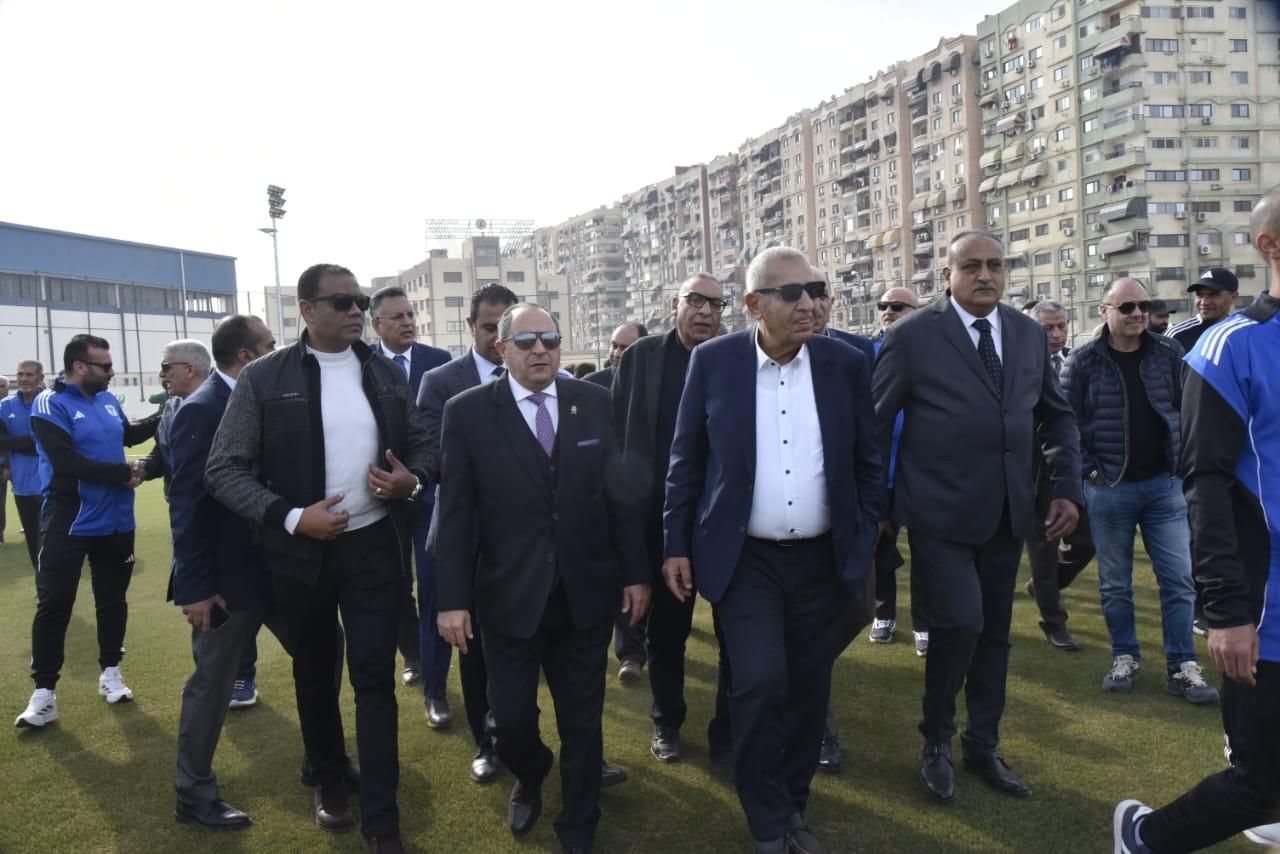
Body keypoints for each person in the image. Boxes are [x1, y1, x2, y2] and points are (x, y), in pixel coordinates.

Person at [206, 264, 431, 853]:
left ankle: (382, 817)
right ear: (306, 310)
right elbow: (223, 468)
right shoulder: (264, 377)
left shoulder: (384, 371)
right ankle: (329, 778)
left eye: (360, 300)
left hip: (374, 546)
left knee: (374, 679)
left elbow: (422, 444)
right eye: (342, 302)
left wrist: (412, 478)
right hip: (298, 553)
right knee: (314, 671)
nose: (357, 310)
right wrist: (290, 516)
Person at [664, 248, 883, 853]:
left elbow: (868, 459)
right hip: (746, 561)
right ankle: (767, 818)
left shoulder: (845, 363)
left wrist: (864, 533)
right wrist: (675, 544)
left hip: (823, 559)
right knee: (759, 683)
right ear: (754, 304)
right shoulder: (713, 362)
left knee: (809, 691)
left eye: (816, 289)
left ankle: (792, 808)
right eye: (792, 293)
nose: (809, 303)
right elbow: (686, 462)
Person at [873, 232, 1081, 803]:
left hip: (1009, 512)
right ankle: (935, 741)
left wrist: (1066, 488)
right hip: (938, 513)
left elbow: (1056, 417)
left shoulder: (1026, 333)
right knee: (959, 624)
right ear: (947, 274)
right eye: (971, 266)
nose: (985, 275)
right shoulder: (912, 336)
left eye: (995, 265)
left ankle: (983, 744)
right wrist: (878, 509)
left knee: (993, 634)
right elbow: (874, 427)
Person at [436, 303, 650, 854]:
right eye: (527, 341)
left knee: (582, 719)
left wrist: (635, 574)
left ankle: (579, 824)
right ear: (501, 348)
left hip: (585, 593)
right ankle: (530, 773)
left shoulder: (594, 402)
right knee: (510, 722)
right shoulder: (467, 413)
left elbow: (620, 496)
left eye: (550, 340)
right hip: (508, 597)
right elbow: (456, 514)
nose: (540, 350)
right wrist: (451, 600)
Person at [1112, 188, 1280, 853]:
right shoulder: (1229, 346)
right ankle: (1143, 838)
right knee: (1258, 784)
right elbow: (1205, 483)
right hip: (1266, 609)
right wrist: (1227, 610)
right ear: (1270, 246)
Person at [1060, 278, 1218, 705]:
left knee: (1179, 580)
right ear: (1105, 311)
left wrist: (1182, 463)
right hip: (1109, 489)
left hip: (1165, 486)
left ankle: (1182, 665)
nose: (1137, 314)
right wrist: (1090, 470)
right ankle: (1125, 656)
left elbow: (1189, 409)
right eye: (1127, 307)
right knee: (1115, 584)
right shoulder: (1083, 360)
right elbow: (1063, 423)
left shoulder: (1168, 351)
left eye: (1143, 306)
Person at [611, 273, 733, 765]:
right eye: (695, 301)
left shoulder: (735, 357)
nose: (706, 311)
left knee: (736, 636)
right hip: (660, 523)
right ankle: (666, 722)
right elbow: (621, 441)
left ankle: (728, 733)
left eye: (716, 304)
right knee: (666, 634)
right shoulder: (642, 358)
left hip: (723, 519)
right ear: (674, 305)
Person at [15, 335, 160, 728]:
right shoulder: (50, 403)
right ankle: (44, 693)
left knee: (112, 600)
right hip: (70, 520)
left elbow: (128, 435)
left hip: (117, 520)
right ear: (80, 367)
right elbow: (65, 462)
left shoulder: (108, 399)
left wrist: (169, 412)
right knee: (55, 602)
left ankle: (111, 672)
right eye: (105, 366)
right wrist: (123, 472)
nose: (112, 372)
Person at [170, 315, 277, 829]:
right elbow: (186, 504)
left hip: (277, 567)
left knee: (323, 650)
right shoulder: (202, 408)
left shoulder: (261, 398)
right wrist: (196, 587)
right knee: (212, 684)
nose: (278, 353)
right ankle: (193, 794)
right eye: (270, 346)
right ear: (246, 356)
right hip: (225, 582)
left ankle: (326, 763)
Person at [416, 282, 517, 779]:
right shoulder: (440, 382)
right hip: (469, 537)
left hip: (533, 538)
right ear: (471, 326)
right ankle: (487, 745)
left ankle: (576, 750)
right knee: (474, 650)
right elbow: (435, 457)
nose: (498, 337)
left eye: (506, 327)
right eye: (489, 327)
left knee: (545, 648)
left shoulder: (545, 374)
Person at [368, 286, 451, 695]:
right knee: (396, 583)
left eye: (410, 315)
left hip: (430, 489)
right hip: (381, 494)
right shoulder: (363, 364)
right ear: (376, 324)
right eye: (397, 317)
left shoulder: (439, 361)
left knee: (434, 580)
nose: (407, 323)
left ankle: (436, 676)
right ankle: (413, 655)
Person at [1023, 300, 1096, 651]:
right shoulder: (1020, 365)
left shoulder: (1075, 361)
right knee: (1043, 546)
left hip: (1073, 468)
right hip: (1034, 469)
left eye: (1061, 326)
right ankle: (1054, 622)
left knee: (1086, 543)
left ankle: (1043, 586)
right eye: (1047, 328)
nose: (1056, 334)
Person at [868, 287, 924, 653]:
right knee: (881, 548)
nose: (888, 311)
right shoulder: (866, 354)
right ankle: (883, 614)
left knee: (927, 551)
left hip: (921, 473)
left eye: (898, 306)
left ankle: (925, 622)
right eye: (883, 305)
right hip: (881, 473)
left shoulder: (933, 353)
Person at [139, 340, 212, 493]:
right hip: (179, 503)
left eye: (165, 366)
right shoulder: (172, 407)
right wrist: (144, 467)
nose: (161, 374)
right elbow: (163, 454)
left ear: (189, 370)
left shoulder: (224, 406)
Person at [0, 361, 45, 570]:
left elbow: (53, 442)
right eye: (20, 374)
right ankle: (42, 581)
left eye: (29, 375)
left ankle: (50, 581)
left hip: (50, 485)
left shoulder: (50, 403)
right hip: (21, 486)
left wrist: (14, 443)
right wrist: (36, 441)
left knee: (50, 541)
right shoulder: (5, 406)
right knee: (33, 541)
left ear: (40, 378)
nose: (24, 379)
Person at [1167, 268, 1239, 352]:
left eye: (1213, 295)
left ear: (1233, 297)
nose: (1204, 302)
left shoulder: (1241, 332)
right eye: (1199, 295)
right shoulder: (1176, 335)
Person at [584, 323, 647, 390]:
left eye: (624, 348)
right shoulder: (589, 384)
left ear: (642, 350)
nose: (616, 354)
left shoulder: (653, 383)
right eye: (614, 346)